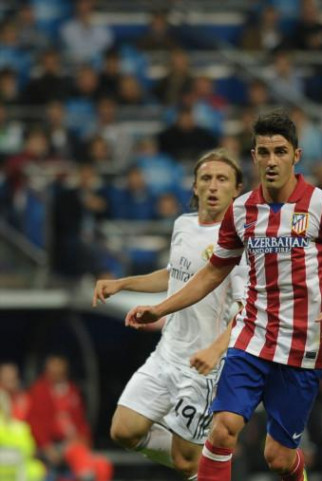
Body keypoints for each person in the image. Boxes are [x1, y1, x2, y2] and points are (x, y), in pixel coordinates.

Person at [126, 110, 322, 481]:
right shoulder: (241, 210)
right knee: (223, 427)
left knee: (278, 457)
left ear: (296, 155)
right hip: (251, 334)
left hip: (302, 344)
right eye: (263, 152)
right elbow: (213, 271)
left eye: (280, 151)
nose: (271, 161)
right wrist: (160, 308)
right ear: (254, 156)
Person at [92, 149, 248, 480]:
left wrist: (216, 350)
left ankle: (204, 465)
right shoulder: (184, 224)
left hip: (203, 368)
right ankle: (205, 462)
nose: (213, 186)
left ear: (237, 190)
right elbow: (173, 274)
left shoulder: (239, 242)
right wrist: (123, 283)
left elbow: (247, 310)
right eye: (206, 178)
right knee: (123, 430)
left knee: (185, 462)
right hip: (166, 353)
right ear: (194, 186)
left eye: (222, 179)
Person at [26, 355, 112, 481]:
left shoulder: (72, 390)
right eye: (53, 365)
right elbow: (34, 423)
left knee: (102, 465)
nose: (56, 369)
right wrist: (46, 446)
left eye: (59, 365)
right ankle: (86, 475)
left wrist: (83, 439)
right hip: (52, 446)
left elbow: (81, 423)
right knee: (78, 455)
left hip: (74, 444)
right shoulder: (39, 390)